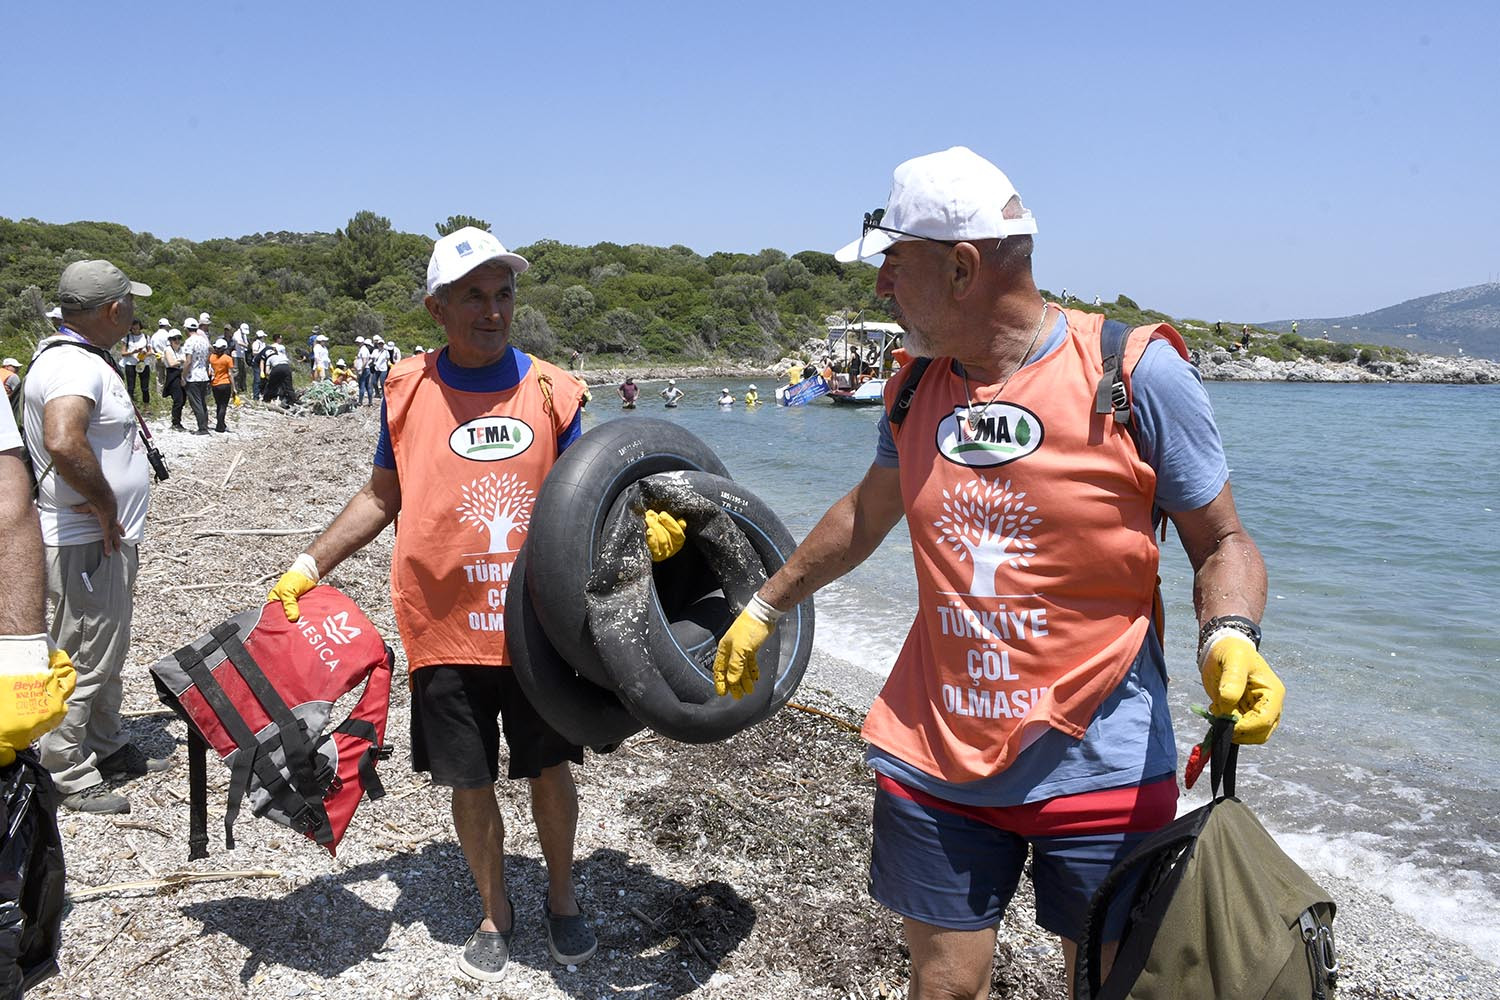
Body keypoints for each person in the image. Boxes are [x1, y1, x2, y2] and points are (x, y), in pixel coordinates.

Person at [712, 147, 1285, 998]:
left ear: (962, 268)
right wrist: (766, 604)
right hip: (934, 748)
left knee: (1102, 985)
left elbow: (1223, 540)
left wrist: (1230, 635)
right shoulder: (913, 387)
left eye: (894, 263)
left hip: (1101, 758)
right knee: (942, 986)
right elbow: (868, 511)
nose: (881, 287)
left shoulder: (1132, 372)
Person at [264, 227, 685, 982]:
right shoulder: (407, 389)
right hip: (443, 626)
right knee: (469, 778)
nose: (493, 312)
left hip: (538, 628)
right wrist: (308, 564)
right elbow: (382, 496)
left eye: (503, 295)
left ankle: (562, 897)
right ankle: (495, 910)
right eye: (473, 298)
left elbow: (590, 497)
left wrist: (643, 532)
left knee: (549, 769)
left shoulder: (554, 392)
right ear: (437, 308)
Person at [23, 260, 171, 815]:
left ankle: (105, 744)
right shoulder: (71, 366)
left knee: (106, 646)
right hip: (86, 538)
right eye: (130, 304)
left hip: (100, 538)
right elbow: (63, 440)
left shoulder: (73, 357)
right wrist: (107, 505)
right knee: (84, 652)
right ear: (113, 310)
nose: (134, 313)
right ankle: (65, 768)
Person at [181, 317, 211, 435]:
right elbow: (207, 357)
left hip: (193, 376)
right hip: (204, 375)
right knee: (202, 402)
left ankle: (202, 428)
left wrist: (183, 376)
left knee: (196, 403)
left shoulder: (189, 342)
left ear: (186, 329)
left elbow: (188, 361)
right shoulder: (204, 340)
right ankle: (205, 425)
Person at [120, 318, 152, 406]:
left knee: (145, 387)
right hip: (131, 364)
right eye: (133, 328)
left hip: (143, 363)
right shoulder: (127, 338)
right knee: (131, 387)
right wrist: (132, 352)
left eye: (137, 327)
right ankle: (131, 406)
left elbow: (150, 351)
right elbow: (123, 353)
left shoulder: (146, 337)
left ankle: (146, 407)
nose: (135, 330)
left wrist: (145, 354)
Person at [160, 330, 187, 429]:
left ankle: (178, 419)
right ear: (170, 340)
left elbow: (186, 361)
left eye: (179, 338)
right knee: (178, 399)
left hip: (182, 373)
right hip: (172, 374)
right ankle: (175, 422)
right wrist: (182, 361)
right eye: (174, 339)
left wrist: (180, 361)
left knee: (183, 399)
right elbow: (171, 363)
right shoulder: (168, 350)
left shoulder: (182, 349)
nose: (177, 341)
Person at [209, 339, 234, 433]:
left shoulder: (212, 357)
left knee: (218, 405)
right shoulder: (228, 359)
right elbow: (230, 374)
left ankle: (221, 424)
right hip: (225, 383)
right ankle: (220, 426)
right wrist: (234, 388)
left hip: (215, 384)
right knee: (223, 405)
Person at [354, 336, 373, 406]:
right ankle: (370, 402)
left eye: (358, 343)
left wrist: (361, 369)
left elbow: (364, 361)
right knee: (368, 386)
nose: (357, 344)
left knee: (362, 386)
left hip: (364, 369)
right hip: (366, 369)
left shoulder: (363, 350)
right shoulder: (363, 349)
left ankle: (360, 402)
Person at [232, 323, 250, 394]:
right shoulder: (237, 334)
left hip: (242, 355)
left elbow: (246, 342)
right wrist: (246, 346)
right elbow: (239, 342)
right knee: (236, 372)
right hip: (236, 355)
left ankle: (242, 387)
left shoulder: (244, 335)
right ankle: (235, 388)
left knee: (243, 372)